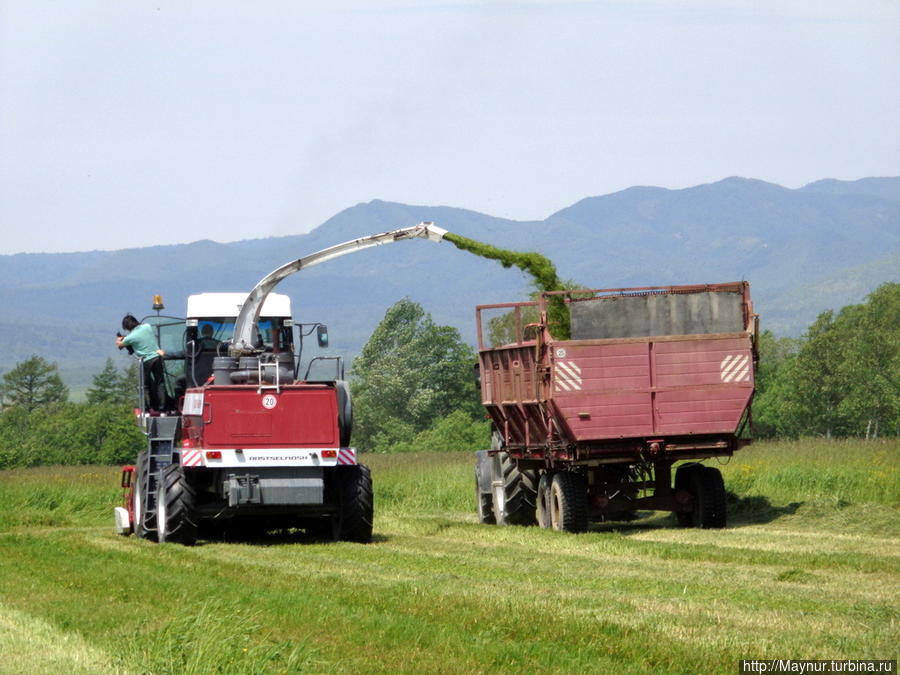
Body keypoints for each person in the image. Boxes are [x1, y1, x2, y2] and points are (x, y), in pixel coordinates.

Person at [116, 314, 166, 413]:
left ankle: (147, 408)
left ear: (127, 327)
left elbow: (120, 345)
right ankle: (162, 407)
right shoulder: (147, 326)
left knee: (145, 385)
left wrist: (120, 339)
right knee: (160, 383)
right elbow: (143, 337)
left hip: (146, 360)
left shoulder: (131, 337)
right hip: (157, 357)